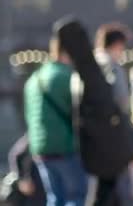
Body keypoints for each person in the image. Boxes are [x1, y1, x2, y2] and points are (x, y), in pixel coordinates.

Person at [23, 26, 88, 206]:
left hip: (40, 148)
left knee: (54, 197)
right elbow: (79, 111)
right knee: (75, 196)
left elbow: (29, 115)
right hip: (65, 146)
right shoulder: (67, 76)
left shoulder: (34, 78)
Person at [92, 22, 133, 205]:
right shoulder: (112, 66)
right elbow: (122, 100)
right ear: (116, 44)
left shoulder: (89, 64)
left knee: (101, 188)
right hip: (112, 134)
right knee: (111, 186)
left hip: (90, 135)